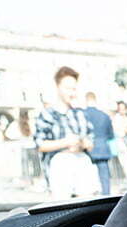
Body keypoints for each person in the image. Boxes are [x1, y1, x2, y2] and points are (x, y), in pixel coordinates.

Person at [34, 66, 98, 198]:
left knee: (87, 205)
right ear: (58, 87)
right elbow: (40, 145)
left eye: (74, 89)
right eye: (68, 88)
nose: (72, 93)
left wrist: (83, 143)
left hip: (82, 161)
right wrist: (66, 142)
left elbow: (91, 142)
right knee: (63, 208)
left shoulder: (80, 114)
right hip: (60, 163)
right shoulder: (47, 115)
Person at [83, 92, 115, 195]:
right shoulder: (104, 115)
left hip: (88, 149)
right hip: (102, 148)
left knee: (88, 177)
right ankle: (106, 196)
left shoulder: (83, 114)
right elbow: (110, 134)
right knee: (104, 177)